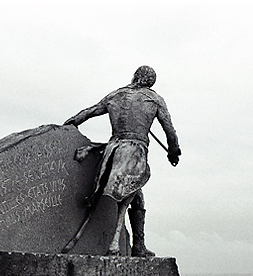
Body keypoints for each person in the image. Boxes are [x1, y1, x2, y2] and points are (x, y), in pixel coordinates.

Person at [63, 65, 181, 256]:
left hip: (113, 150)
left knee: (134, 194)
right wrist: (173, 152)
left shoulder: (115, 96)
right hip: (134, 152)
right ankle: (131, 245)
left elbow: (89, 111)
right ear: (151, 81)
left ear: (135, 76)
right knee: (134, 196)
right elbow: (170, 131)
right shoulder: (155, 99)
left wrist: (70, 123)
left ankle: (136, 245)